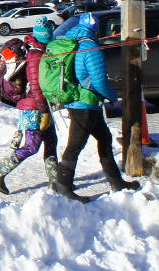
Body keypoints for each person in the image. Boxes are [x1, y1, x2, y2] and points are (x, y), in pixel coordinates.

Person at [53, 12, 139, 201]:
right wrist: (112, 96)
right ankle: (63, 187)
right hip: (85, 104)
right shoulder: (90, 47)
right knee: (75, 145)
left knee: (104, 138)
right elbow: (99, 80)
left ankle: (117, 182)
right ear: (95, 28)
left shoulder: (71, 43)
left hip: (80, 101)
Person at [0, 17, 64, 195]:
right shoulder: (35, 55)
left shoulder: (39, 51)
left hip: (41, 105)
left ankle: (55, 182)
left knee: (51, 141)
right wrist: (44, 111)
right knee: (32, 145)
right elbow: (36, 86)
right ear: (45, 36)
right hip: (33, 107)